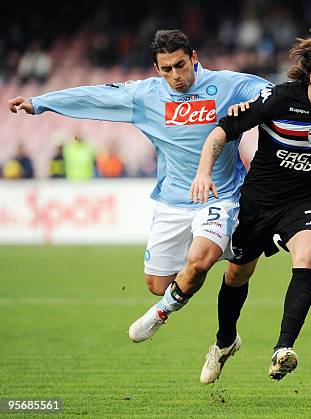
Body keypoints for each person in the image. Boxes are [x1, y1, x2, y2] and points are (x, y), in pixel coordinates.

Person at [8, 29, 270, 343]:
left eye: (181, 65)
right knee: (158, 284)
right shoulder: (146, 95)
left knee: (200, 261)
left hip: (221, 195)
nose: (176, 75)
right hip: (173, 200)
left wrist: (257, 105)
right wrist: (39, 103)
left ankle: (166, 306)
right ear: (157, 69)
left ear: (194, 58)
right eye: (167, 69)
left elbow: (278, 94)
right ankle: (211, 258)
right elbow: (95, 96)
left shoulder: (230, 85)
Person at [191, 28, 311, 383]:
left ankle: (283, 349)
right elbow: (222, 131)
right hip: (259, 202)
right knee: (237, 274)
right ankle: (223, 343)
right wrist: (204, 172)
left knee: (308, 251)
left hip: (303, 201)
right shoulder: (277, 100)